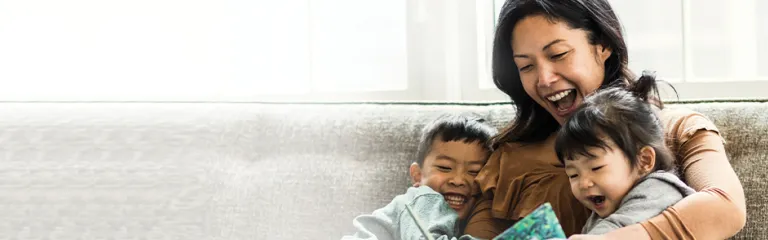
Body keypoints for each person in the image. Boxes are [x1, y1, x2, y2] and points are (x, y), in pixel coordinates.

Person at [463, 0, 746, 239]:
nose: (544, 79)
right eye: (526, 66)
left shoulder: (676, 128)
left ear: (603, 46)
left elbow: (727, 207)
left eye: (558, 54)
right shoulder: (510, 158)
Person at [554, 75, 695, 235]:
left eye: (596, 167)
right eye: (573, 175)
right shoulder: (606, 211)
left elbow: (617, 229)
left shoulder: (659, 191)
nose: (583, 183)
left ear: (644, 160)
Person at [342, 113, 496, 240]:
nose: (458, 180)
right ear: (417, 176)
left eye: (474, 171)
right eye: (445, 167)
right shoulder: (424, 199)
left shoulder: (479, 218)